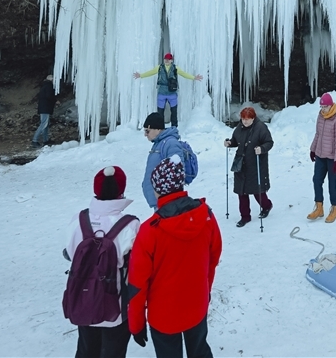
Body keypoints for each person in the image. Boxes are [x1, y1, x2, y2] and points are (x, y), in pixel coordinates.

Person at [128, 157, 222, 358]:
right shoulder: (206, 215)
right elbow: (213, 259)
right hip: (197, 305)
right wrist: (205, 290)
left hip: (163, 316)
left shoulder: (149, 231)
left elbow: (137, 284)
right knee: (200, 351)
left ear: (159, 190)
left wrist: (136, 324)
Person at [64, 167, 140, 358]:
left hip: (83, 300)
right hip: (115, 306)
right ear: (121, 190)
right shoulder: (131, 226)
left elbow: (70, 254)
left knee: (86, 349)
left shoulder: (78, 220)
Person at [224, 107, 274, 228]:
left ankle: (266, 206)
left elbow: (269, 142)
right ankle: (245, 216)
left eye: (247, 119)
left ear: (253, 118)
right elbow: (236, 140)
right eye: (243, 119)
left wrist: (261, 149)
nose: (245, 122)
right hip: (241, 164)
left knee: (257, 191)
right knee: (241, 192)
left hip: (255, 163)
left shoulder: (261, 128)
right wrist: (230, 143)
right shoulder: (239, 128)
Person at [134, 53, 202, 128]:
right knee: (160, 113)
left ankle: (174, 128)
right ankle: (160, 128)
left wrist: (193, 77)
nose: (166, 60)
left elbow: (183, 74)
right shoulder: (159, 67)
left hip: (172, 93)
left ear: (171, 60)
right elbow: (151, 72)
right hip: (162, 93)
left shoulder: (175, 68)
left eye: (168, 59)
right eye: (165, 59)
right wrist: (141, 75)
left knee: (174, 112)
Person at [307, 93, 336, 223]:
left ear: (331, 105)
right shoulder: (321, 116)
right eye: (321, 107)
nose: (323, 109)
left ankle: (334, 208)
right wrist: (313, 149)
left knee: (332, 183)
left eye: (325, 107)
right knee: (317, 180)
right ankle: (319, 207)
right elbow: (318, 134)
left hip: (333, 158)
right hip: (320, 154)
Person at [141, 112, 190, 209]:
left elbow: (177, 171)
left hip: (168, 201)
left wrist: (167, 196)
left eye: (147, 131)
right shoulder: (158, 144)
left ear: (158, 129)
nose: (145, 135)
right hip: (160, 200)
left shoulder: (170, 143)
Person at [32, 74, 56, 147]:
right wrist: (55, 100)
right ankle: (34, 140)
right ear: (51, 80)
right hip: (45, 108)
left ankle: (46, 140)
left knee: (46, 124)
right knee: (44, 124)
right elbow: (49, 96)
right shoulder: (49, 86)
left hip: (43, 107)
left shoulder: (44, 86)